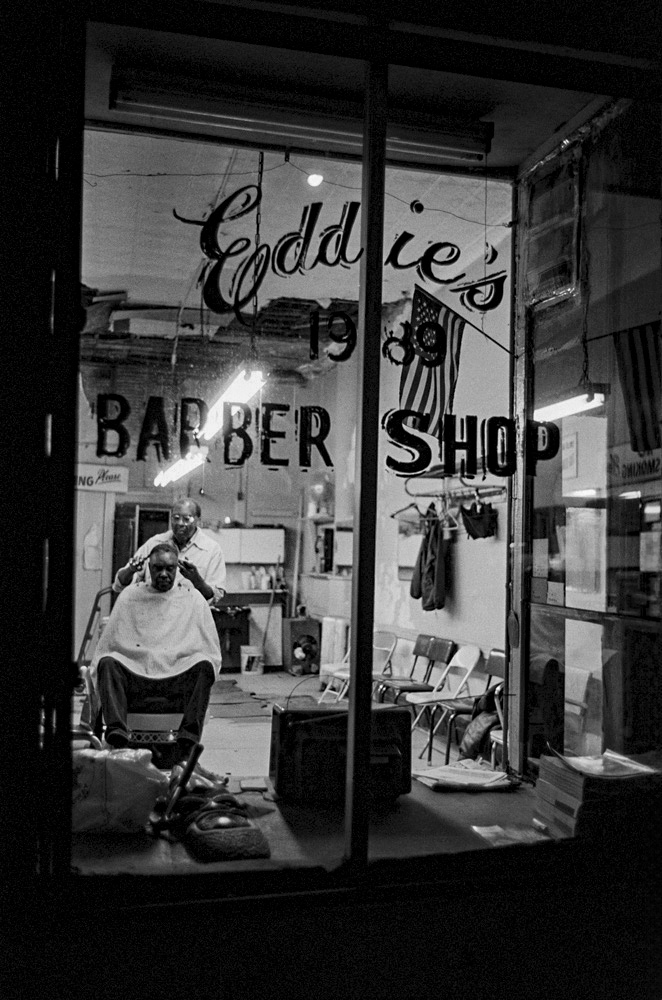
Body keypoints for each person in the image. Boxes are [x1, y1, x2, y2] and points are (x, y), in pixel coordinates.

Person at [90, 541, 222, 758]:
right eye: (157, 568)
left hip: (176, 676)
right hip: (135, 676)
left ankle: (188, 737)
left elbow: (209, 648)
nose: (163, 574)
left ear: (177, 569)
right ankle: (117, 732)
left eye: (169, 569)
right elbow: (109, 644)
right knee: (108, 662)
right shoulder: (131, 595)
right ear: (148, 568)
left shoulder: (192, 597)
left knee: (204, 666)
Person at [113, 497, 226, 606]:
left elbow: (213, 597)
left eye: (187, 519)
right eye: (176, 518)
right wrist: (130, 570)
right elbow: (119, 586)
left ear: (198, 521)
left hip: (189, 616)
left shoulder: (212, 550)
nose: (180, 523)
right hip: (153, 612)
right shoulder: (154, 543)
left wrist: (196, 580)